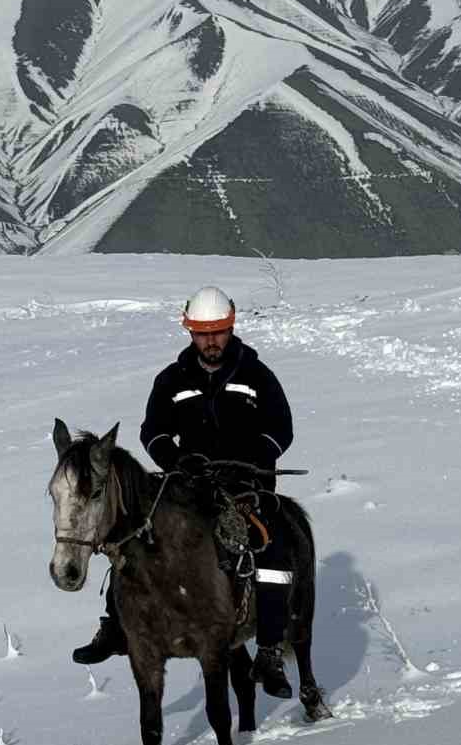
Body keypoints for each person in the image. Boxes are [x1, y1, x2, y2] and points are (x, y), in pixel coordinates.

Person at [73, 285, 296, 697]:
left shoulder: (257, 376)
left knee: (274, 550)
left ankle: (268, 651)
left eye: (218, 332)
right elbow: (152, 430)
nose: (211, 341)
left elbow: (281, 429)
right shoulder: (172, 379)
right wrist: (175, 461)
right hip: (187, 486)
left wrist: (253, 459)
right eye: (202, 333)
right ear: (189, 331)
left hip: (246, 486)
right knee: (130, 535)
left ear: (231, 327)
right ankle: (114, 628)